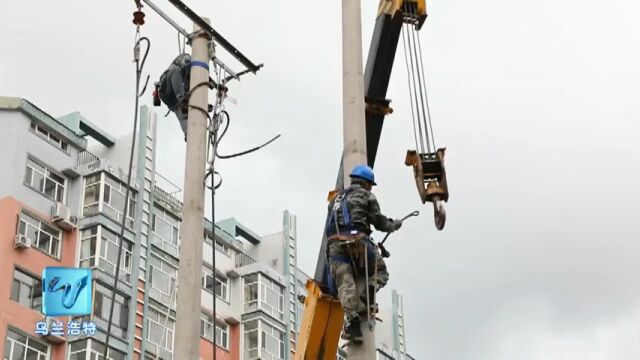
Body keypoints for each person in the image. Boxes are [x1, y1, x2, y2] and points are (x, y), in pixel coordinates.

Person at [325, 164, 402, 342]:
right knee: (381, 271)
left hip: (336, 246)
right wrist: (394, 225)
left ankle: (352, 322)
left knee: (345, 283)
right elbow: (379, 223)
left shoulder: (335, 199)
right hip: (359, 244)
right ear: (367, 183)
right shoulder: (367, 196)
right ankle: (369, 291)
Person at [157, 53, 192, 141]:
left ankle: (188, 132)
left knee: (182, 113)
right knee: (176, 70)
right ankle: (181, 99)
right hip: (169, 91)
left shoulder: (186, 75)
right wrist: (182, 98)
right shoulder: (176, 68)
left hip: (174, 101)